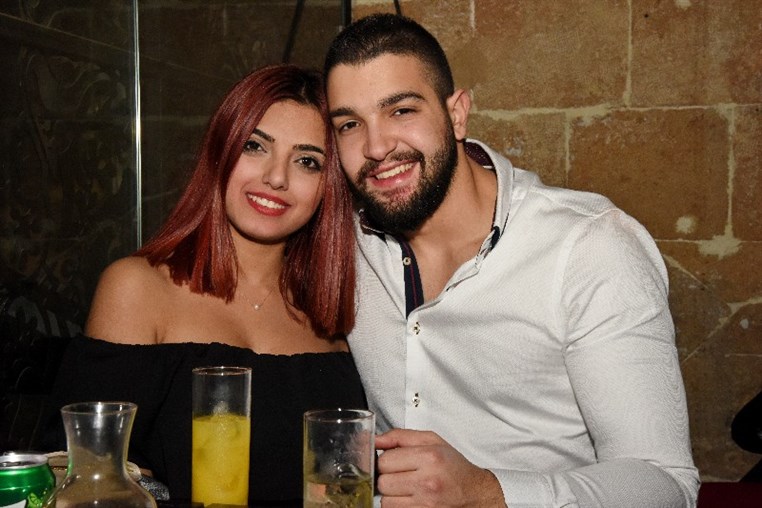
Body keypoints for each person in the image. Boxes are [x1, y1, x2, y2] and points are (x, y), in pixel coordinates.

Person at [324, 13, 699, 507]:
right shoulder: (341, 244)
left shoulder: (588, 247)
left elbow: (665, 485)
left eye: (401, 110)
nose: (376, 146)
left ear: (457, 114)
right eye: (350, 124)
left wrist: (488, 492)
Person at [43, 64, 366, 505]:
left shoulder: (341, 314)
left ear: (330, 187)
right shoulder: (137, 290)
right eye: (255, 146)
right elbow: (78, 474)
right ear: (220, 152)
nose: (277, 177)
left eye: (307, 161)